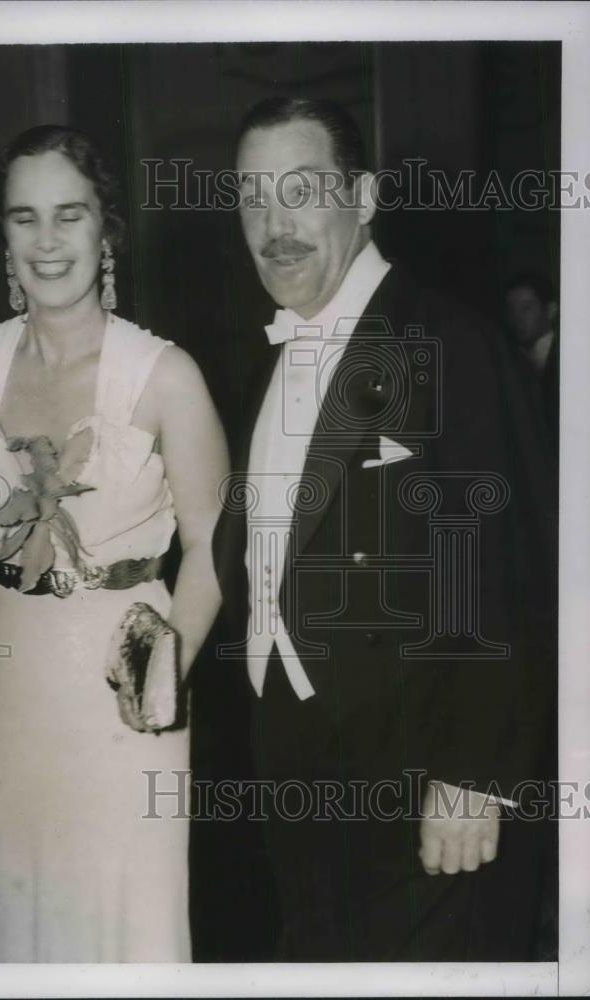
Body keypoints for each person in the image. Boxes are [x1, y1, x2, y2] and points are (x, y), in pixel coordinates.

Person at [214, 97, 556, 961]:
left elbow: (508, 569)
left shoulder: (447, 340)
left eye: (299, 191)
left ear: (362, 197)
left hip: (424, 791)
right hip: (297, 781)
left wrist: (474, 775)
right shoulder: (264, 358)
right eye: (253, 198)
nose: (274, 225)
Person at [0, 124, 229, 962]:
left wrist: (161, 672)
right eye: (24, 218)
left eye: (69, 216)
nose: (48, 242)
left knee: (116, 928)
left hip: (124, 694)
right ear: (2, 235)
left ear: (105, 230)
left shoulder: (165, 375)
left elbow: (219, 550)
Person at [504, 270, 559, 448]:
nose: (517, 318)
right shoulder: (511, 360)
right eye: (511, 310)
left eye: (527, 308)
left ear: (551, 310)